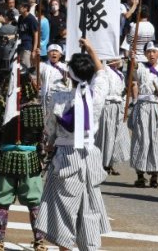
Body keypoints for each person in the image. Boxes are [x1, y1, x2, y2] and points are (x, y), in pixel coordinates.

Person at [38, 38, 111, 251]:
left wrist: (50, 144)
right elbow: (102, 74)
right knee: (88, 206)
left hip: (65, 155)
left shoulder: (59, 97)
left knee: (64, 208)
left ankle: (65, 248)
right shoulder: (95, 95)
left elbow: (49, 127)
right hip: (89, 154)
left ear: (68, 73)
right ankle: (90, 246)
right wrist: (91, 49)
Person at [0, 66, 47, 251]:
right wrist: (41, 154)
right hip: (31, 159)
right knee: (34, 202)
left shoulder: (2, 105)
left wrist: (2, 145)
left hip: (7, 157)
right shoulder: (37, 107)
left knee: (3, 201)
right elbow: (42, 135)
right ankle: (39, 242)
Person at [128, 42, 158, 189]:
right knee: (141, 140)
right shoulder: (142, 67)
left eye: (154, 51)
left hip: (157, 109)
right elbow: (135, 71)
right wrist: (132, 59)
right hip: (143, 107)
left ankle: (155, 176)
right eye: (149, 52)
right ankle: (140, 175)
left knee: (157, 141)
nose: (151, 54)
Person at [95, 56, 130, 176]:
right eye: (116, 58)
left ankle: (110, 162)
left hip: (118, 106)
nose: (120, 61)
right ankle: (101, 163)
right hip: (107, 105)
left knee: (115, 136)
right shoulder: (104, 70)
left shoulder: (120, 74)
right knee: (105, 135)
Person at [17, 1, 40, 68]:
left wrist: (34, 50)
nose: (18, 9)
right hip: (20, 45)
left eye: (20, 7)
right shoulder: (20, 18)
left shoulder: (31, 19)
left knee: (26, 66)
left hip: (28, 46)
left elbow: (36, 34)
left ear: (26, 8)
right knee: (20, 66)